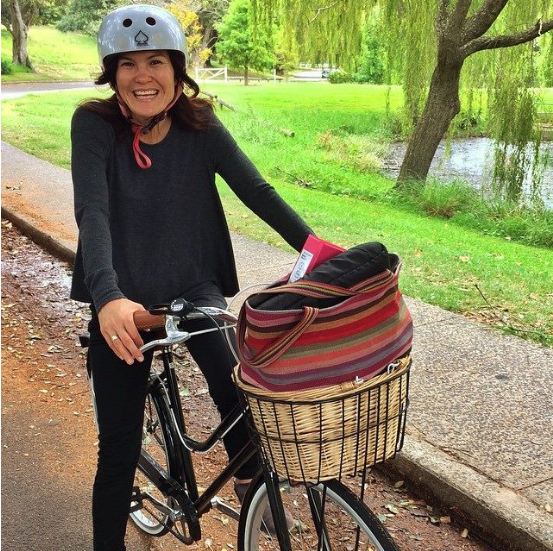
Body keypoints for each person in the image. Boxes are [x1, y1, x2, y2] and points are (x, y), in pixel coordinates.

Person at [70, 4, 312, 550]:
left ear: (178, 69)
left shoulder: (200, 123)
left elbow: (257, 191)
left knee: (239, 399)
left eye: (155, 61)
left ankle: (257, 501)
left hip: (193, 284)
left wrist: (316, 249)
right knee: (119, 452)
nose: (142, 76)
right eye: (127, 64)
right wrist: (107, 297)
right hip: (124, 298)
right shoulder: (94, 125)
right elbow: (93, 211)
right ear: (112, 73)